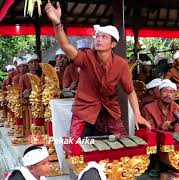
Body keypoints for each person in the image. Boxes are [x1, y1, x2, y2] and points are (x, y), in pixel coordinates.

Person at [45, 0, 150, 139]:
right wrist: (57, 22)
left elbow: (130, 91)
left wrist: (137, 114)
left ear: (113, 44)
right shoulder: (86, 57)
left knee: (122, 142)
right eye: (98, 36)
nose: (99, 39)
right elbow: (65, 45)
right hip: (84, 108)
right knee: (73, 145)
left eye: (104, 37)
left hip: (110, 109)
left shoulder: (121, 64)